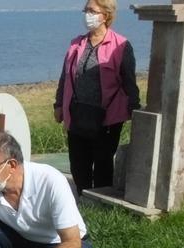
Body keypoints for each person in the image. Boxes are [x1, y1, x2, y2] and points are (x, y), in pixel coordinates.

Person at [54, 0, 141, 196]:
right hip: (77, 114)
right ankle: (83, 200)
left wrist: (134, 109)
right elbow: (65, 77)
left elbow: (129, 82)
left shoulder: (121, 45)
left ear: (106, 15)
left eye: (92, 10)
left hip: (107, 118)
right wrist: (59, 104)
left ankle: (100, 204)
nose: (87, 14)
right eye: (86, 10)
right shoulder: (77, 43)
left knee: (102, 164)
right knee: (78, 165)